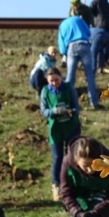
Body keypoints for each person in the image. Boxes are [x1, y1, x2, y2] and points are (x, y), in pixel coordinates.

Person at [40, 67, 81, 201]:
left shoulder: (69, 88)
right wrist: (54, 111)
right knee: (57, 157)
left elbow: (77, 107)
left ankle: (74, 183)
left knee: (72, 155)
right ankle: (56, 185)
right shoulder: (45, 91)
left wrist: (71, 111)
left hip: (71, 127)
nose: (54, 83)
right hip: (55, 129)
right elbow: (43, 111)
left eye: (56, 80)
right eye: (51, 81)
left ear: (60, 77)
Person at [58, 15, 104, 110]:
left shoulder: (62, 25)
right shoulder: (79, 19)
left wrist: (64, 53)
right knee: (89, 75)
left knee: (70, 77)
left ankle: (68, 102)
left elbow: (61, 44)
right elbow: (88, 32)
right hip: (84, 45)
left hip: (71, 47)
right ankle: (94, 102)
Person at [89, 0, 109, 64]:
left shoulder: (95, 2)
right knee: (106, 43)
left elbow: (90, 10)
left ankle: (99, 62)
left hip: (100, 26)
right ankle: (106, 59)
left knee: (99, 45)